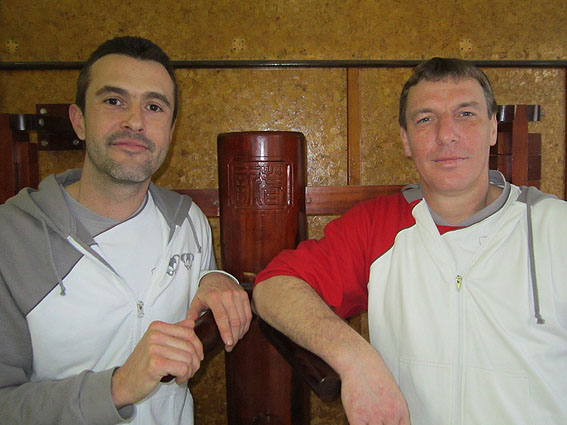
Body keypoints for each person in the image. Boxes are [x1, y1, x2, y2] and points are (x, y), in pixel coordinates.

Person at [252, 57, 567, 425]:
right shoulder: (375, 226)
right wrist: (354, 357)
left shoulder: (555, 226)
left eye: (465, 114)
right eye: (425, 119)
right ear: (405, 139)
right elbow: (273, 287)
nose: (446, 134)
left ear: (492, 128)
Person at [0, 36, 252, 425]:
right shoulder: (10, 239)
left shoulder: (189, 222)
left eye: (154, 106)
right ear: (79, 120)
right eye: (114, 101)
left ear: (170, 131)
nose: (135, 121)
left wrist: (217, 277)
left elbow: (200, 291)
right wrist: (116, 388)